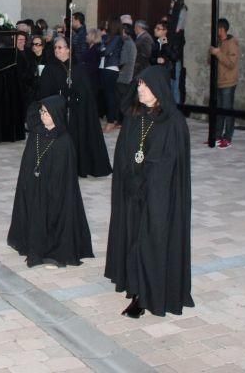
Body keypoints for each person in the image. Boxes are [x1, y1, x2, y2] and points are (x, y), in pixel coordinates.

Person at [104, 66, 194, 318]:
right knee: (133, 238)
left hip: (157, 196)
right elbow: (124, 152)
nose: (139, 89)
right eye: (139, 84)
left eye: (145, 85)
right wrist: (129, 178)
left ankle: (146, 294)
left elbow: (168, 163)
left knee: (150, 240)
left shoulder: (173, 122)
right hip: (132, 192)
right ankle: (135, 287)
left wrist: (146, 182)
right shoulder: (135, 115)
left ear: (159, 89)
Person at [7, 96, 94, 268]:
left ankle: (54, 250)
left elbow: (64, 176)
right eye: (42, 111)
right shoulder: (36, 135)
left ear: (56, 114)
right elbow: (27, 163)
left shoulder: (64, 142)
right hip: (35, 187)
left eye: (46, 112)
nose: (42, 115)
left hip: (54, 193)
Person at [37, 37, 112, 178]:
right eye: (55, 48)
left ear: (68, 49)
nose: (57, 50)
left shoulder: (78, 67)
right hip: (58, 112)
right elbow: (45, 91)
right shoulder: (50, 68)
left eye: (60, 47)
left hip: (77, 112)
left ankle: (79, 166)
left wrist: (76, 95)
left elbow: (86, 91)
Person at [208, 18, 240, 149]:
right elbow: (211, 62)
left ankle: (227, 138)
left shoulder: (232, 43)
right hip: (217, 81)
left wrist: (218, 53)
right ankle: (216, 136)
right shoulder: (217, 42)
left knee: (227, 111)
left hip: (228, 82)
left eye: (217, 28)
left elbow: (231, 64)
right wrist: (211, 53)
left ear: (222, 29)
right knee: (218, 110)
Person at [101, 20, 124, 131]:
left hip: (112, 67)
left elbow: (105, 51)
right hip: (106, 67)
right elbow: (100, 49)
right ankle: (113, 119)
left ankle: (111, 121)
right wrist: (104, 49)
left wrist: (105, 49)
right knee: (108, 95)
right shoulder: (108, 37)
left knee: (110, 96)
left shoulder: (117, 38)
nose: (106, 25)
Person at [115, 23, 137, 126]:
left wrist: (117, 68)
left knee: (122, 100)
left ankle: (121, 122)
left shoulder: (127, 43)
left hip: (123, 76)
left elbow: (123, 60)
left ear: (124, 31)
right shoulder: (131, 42)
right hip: (127, 75)